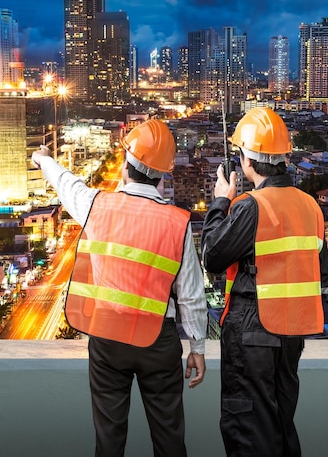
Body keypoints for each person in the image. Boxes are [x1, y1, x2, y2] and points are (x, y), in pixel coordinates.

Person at [32, 119, 207, 457]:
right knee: (169, 439)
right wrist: (197, 346)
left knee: (109, 440)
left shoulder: (98, 206)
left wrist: (43, 160)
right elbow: (191, 295)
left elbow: (67, 183)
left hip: (108, 335)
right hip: (159, 340)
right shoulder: (177, 223)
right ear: (162, 174)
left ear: (126, 164)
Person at [201, 107, 328, 457]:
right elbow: (323, 275)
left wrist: (220, 202)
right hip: (291, 333)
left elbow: (212, 256)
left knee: (248, 429)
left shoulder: (251, 206)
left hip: (253, 329)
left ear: (247, 161)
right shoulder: (310, 207)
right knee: (280, 424)